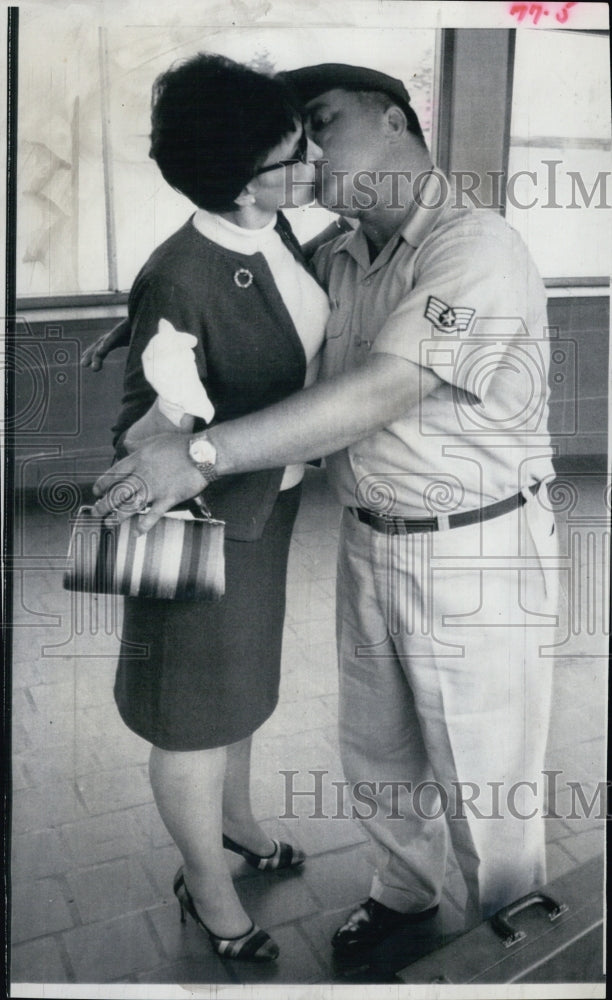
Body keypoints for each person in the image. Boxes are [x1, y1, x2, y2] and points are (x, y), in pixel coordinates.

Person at [93, 63, 559, 961]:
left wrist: (199, 455)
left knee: (485, 776)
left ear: (393, 119)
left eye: (322, 121)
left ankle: (524, 947)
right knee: (380, 754)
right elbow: (246, 286)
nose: (305, 150)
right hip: (367, 538)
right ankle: (402, 899)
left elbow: (387, 386)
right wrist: (153, 316)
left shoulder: (475, 248)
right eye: (291, 134)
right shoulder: (339, 249)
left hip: (474, 549)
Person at [97, 53, 334, 964]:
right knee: (190, 716)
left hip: (262, 513)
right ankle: (206, 889)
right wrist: (153, 357)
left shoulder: (266, 232)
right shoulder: (184, 274)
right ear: (242, 184)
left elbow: (271, 315)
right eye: (292, 152)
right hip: (198, 527)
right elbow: (159, 424)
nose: (310, 160)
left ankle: (236, 826)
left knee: (238, 693)